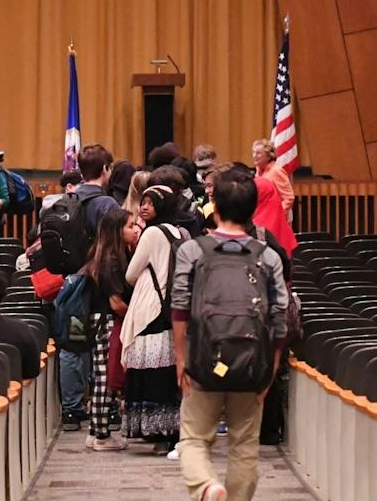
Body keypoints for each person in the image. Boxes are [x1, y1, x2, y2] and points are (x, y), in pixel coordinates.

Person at [172, 168, 289, 501]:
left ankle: (208, 487)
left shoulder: (193, 251)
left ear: (215, 208)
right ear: (252, 210)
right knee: (243, 444)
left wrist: (181, 357)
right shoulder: (267, 256)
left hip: (202, 358)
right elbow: (280, 317)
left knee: (194, 439)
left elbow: (180, 308)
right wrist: (271, 369)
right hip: (253, 363)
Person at [120, 185, 185, 455]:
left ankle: (154, 432)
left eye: (150, 203)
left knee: (150, 373)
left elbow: (131, 274)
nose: (143, 207)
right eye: (142, 202)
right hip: (172, 306)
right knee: (167, 373)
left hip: (151, 306)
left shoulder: (152, 232)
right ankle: (171, 432)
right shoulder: (179, 231)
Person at [83, 206, 130, 450]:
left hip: (97, 320)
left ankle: (95, 430)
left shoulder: (100, 254)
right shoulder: (111, 259)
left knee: (100, 374)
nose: (134, 230)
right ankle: (102, 435)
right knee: (105, 378)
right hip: (106, 321)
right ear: (116, 230)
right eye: (130, 226)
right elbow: (116, 303)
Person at [73, 143, 122, 233]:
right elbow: (114, 242)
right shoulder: (107, 204)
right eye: (110, 168)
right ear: (104, 169)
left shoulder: (68, 198)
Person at [251, 138, 294, 222]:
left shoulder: (276, 171)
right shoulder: (258, 170)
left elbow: (288, 198)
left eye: (258, 153)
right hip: (260, 218)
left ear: (268, 156)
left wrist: (275, 214)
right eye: (253, 152)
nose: (254, 155)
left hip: (275, 220)